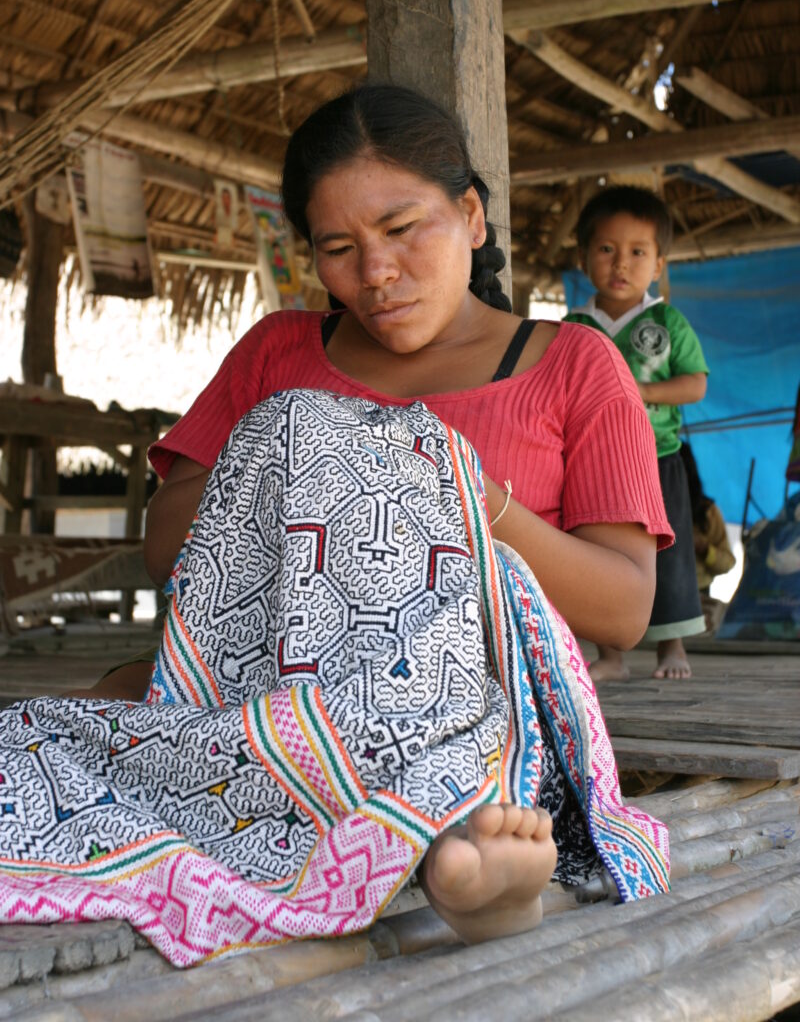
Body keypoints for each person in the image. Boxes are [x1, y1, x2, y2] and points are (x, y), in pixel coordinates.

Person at [87, 86, 672, 945]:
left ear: (471, 216)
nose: (376, 273)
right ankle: (450, 850)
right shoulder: (276, 356)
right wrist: (317, 454)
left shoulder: (576, 366)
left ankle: (468, 852)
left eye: (403, 229)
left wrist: (477, 504)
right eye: (338, 247)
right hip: (275, 690)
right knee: (98, 718)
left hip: (480, 694)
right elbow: (164, 549)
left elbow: (624, 608)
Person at [565, 185, 709, 681]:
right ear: (584, 258)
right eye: (606, 249)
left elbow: (695, 385)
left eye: (637, 252)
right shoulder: (574, 326)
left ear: (659, 264)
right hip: (594, 464)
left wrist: (639, 393)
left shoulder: (668, 320)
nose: (620, 263)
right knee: (604, 560)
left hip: (659, 456)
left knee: (667, 555)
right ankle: (611, 657)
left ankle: (672, 646)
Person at [679, 440, 736, 627]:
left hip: (698, 595)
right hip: (654, 596)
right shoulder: (647, 508)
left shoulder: (707, 512)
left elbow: (727, 562)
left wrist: (704, 549)